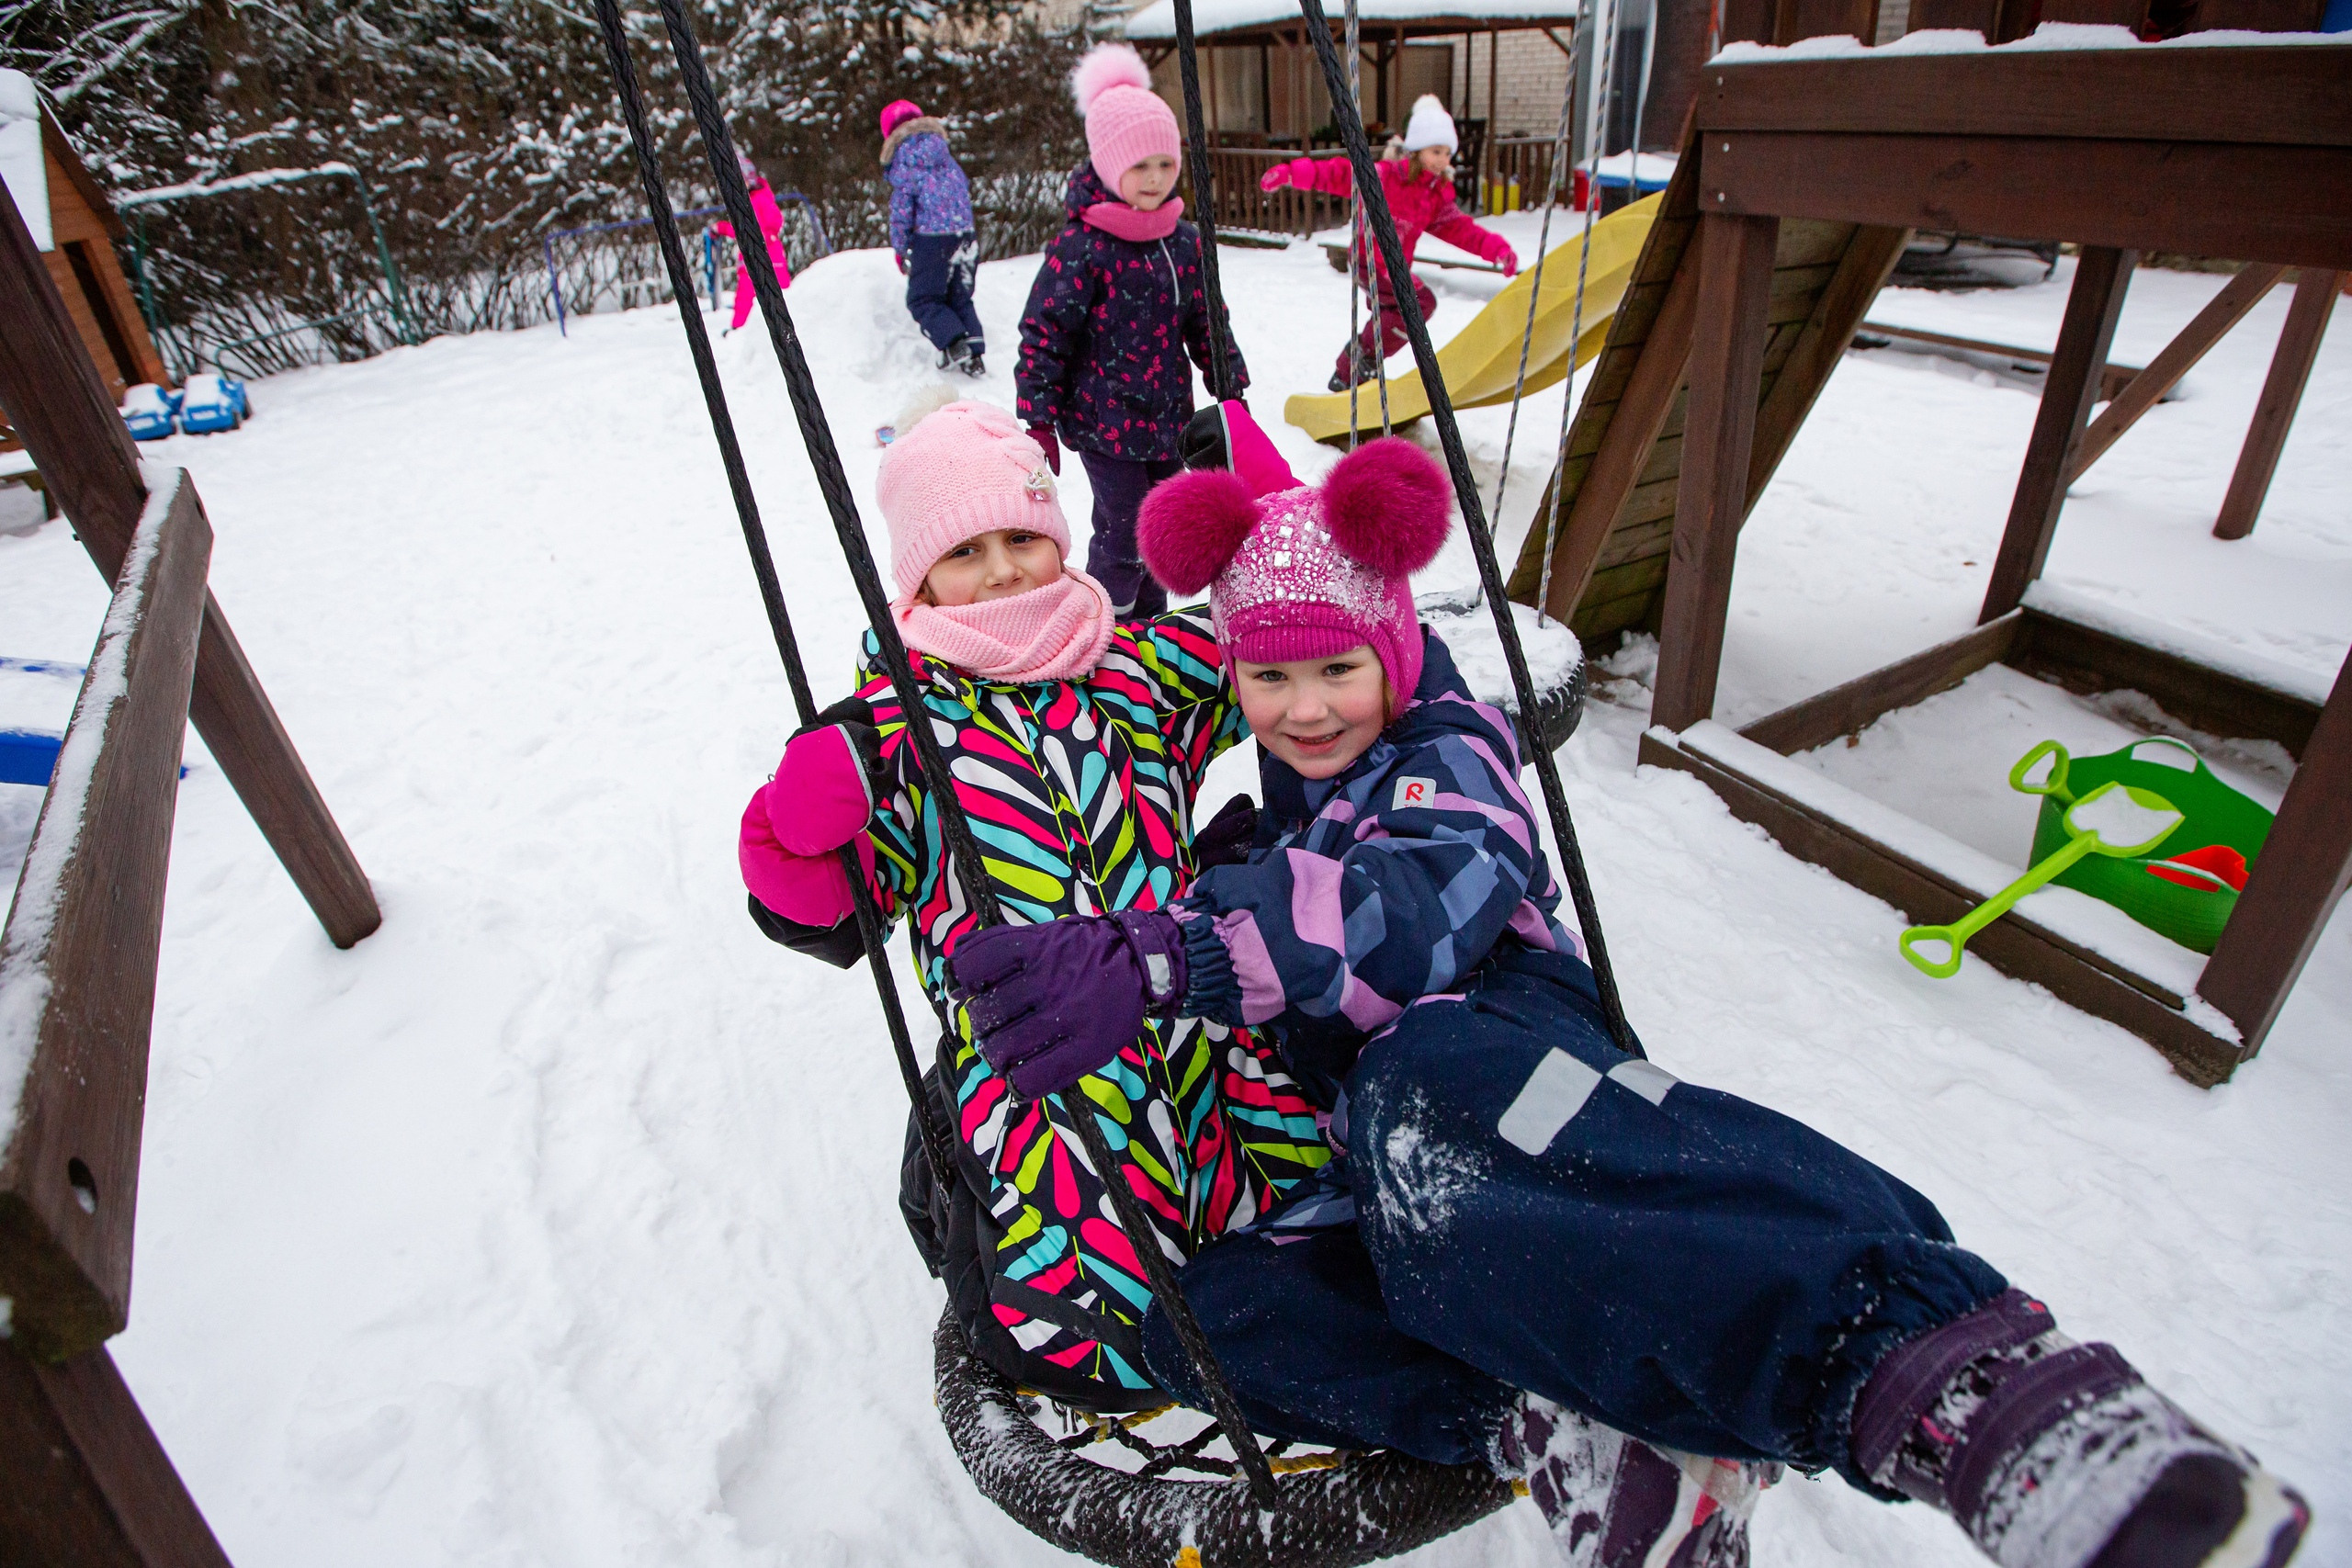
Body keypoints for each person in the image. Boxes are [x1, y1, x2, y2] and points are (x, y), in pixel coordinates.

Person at [945, 435, 2312, 1568]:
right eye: (1270, 674)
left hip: (1495, 1040)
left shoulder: (1449, 752)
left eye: (1336, 667)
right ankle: (1569, 1435)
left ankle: (1948, 1379)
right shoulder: (1271, 808)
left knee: (1433, 1097)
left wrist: (1173, 956)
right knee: (1215, 1299)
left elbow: (1418, 904)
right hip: (1391, 1160)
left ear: (1395, 652)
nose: (1304, 708)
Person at [733, 400, 1324, 1414]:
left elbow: (1278, 640)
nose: (1005, 571)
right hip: (1038, 1063)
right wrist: (791, 833)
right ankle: (1129, 1339)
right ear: (916, 579)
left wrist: (1260, 504)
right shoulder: (895, 734)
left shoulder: (1131, 666)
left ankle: (1315, 1321)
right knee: (1105, 1281)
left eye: (1023, 537)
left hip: (1187, 1004)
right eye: (964, 550)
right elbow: (839, 906)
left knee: (1305, 1195)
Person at [1016, 42, 1247, 619]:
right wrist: (1038, 418)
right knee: (1122, 531)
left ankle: (1149, 626)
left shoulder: (1183, 240)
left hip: (1167, 415)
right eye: (1138, 165)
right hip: (1104, 419)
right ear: (1106, 166)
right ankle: (1106, 630)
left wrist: (1229, 389)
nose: (1154, 178)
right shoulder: (1083, 247)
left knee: (1162, 530)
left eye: (1165, 164)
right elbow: (1046, 333)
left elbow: (1205, 318)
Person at [1258, 94, 1519, 392]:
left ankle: (1352, 370)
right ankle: (1362, 360)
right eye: (1436, 151)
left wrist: (1497, 249)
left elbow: (1461, 229)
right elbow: (1339, 174)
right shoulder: (1385, 177)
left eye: (1448, 153)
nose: (1443, 160)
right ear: (1417, 149)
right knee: (1420, 304)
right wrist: (1291, 173)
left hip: (1395, 268)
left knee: (1407, 311)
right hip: (1370, 262)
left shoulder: (1434, 195)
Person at [879, 98, 986, 376]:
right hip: (965, 234)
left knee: (922, 299)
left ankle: (954, 344)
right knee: (959, 296)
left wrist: (901, 247)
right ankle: (974, 353)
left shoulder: (904, 158)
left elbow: (902, 210)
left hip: (932, 238)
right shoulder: (944, 154)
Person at [712, 148, 794, 333]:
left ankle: (778, 325)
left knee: (778, 292)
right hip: (753, 252)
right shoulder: (748, 200)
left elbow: (772, 221)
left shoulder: (759, 200)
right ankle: (740, 327)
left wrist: (766, 235)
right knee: (746, 293)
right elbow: (742, 229)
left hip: (768, 253)